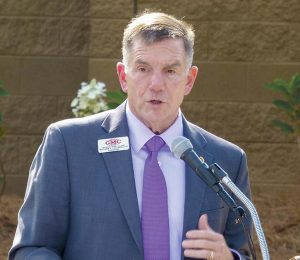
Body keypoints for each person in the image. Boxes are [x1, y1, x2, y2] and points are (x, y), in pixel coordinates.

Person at [9, 12, 252, 260]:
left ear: (189, 80)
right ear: (123, 77)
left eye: (170, 70)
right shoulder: (68, 144)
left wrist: (229, 258)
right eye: (143, 68)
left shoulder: (227, 160)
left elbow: (245, 252)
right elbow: (32, 249)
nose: (156, 84)